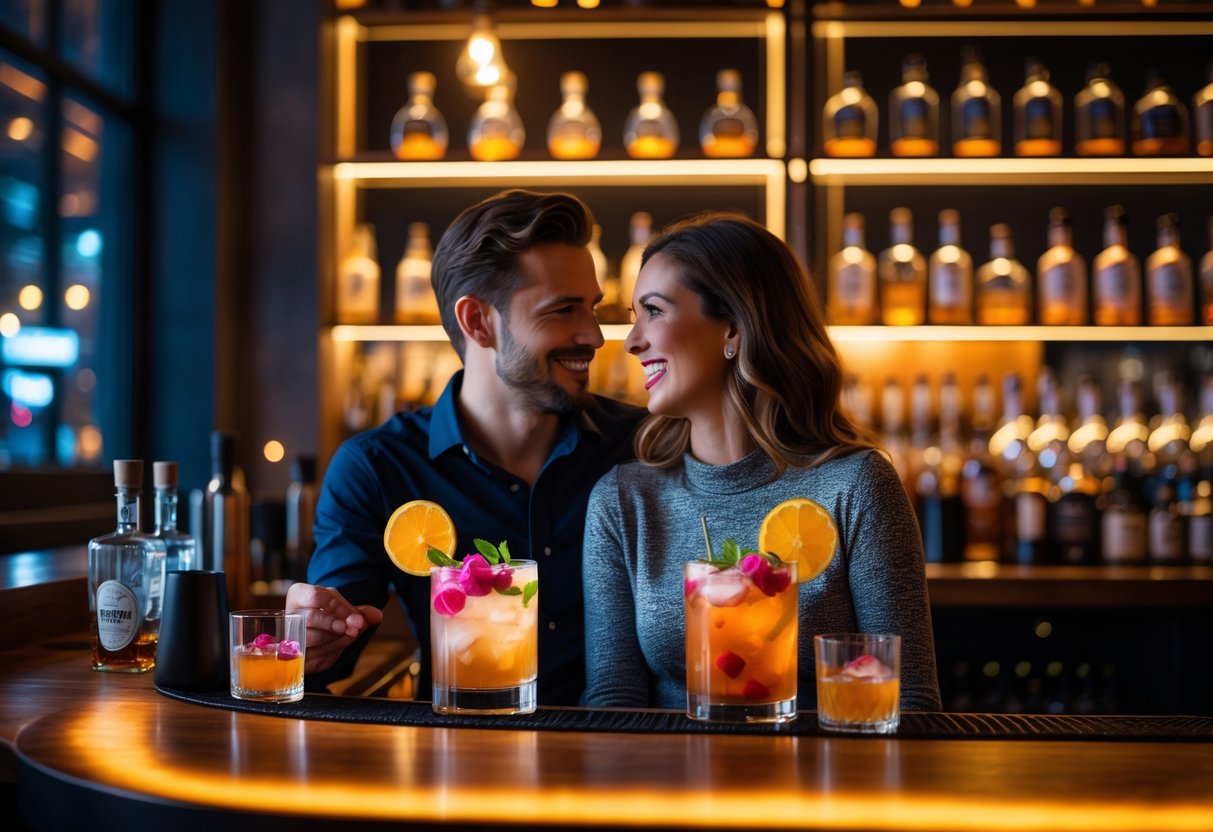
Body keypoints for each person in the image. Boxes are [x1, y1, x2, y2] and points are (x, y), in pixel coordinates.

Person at [287, 190, 644, 704]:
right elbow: (327, 655)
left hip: (618, 758)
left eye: (593, 308)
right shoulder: (378, 467)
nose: (593, 335)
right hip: (459, 759)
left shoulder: (641, 445)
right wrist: (311, 630)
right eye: (563, 311)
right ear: (477, 321)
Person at [581, 211, 941, 711]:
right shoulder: (624, 501)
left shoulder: (856, 485)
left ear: (733, 327)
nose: (631, 341)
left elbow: (910, 701)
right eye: (633, 317)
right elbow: (613, 704)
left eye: (655, 312)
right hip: (671, 783)